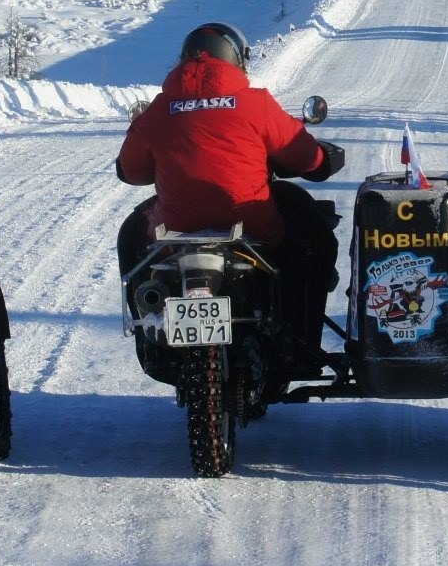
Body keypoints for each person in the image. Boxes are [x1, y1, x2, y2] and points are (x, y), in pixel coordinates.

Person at [115, 22, 345, 370]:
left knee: (130, 236)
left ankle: (151, 340)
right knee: (314, 240)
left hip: (175, 229)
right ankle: (298, 340)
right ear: (237, 59)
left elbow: (130, 171)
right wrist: (320, 160)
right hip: (251, 223)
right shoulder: (255, 104)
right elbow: (308, 159)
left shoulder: (160, 110)